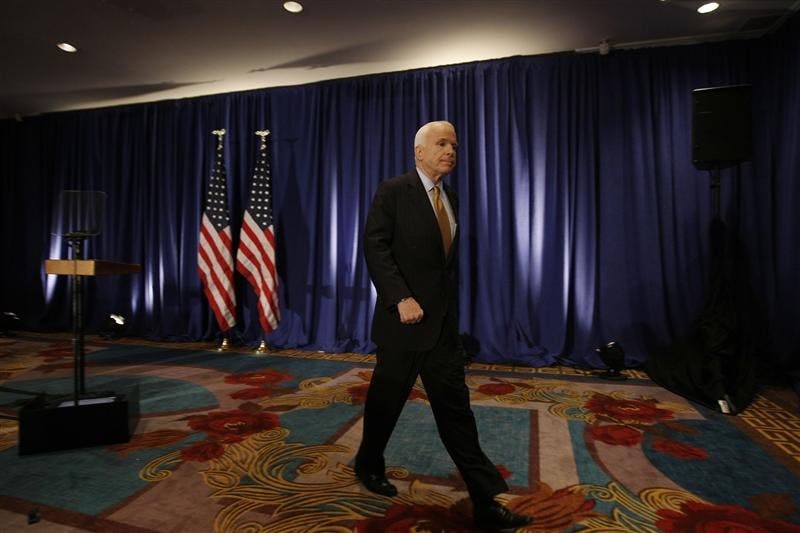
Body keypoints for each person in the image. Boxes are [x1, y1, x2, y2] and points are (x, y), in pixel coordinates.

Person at [355, 120, 533, 530]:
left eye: (454, 144)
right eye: (441, 143)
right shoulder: (394, 191)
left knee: (456, 412)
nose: (450, 150)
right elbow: (375, 246)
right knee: (386, 403)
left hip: (442, 329)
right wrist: (401, 297)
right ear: (419, 152)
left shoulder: (450, 195)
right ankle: (368, 462)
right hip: (403, 323)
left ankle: (486, 500)